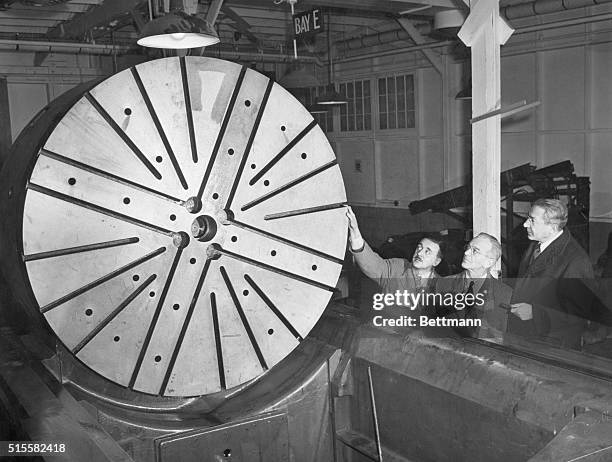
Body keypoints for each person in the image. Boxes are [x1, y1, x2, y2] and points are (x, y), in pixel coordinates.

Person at [508, 198, 595, 348]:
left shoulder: (576, 260)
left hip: (554, 344)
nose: (525, 224)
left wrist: (535, 313)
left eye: (532, 220)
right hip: (527, 335)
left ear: (552, 227)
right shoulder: (535, 246)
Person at [345, 206, 442, 304]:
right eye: (419, 247)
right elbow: (373, 265)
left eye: (427, 251)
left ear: (436, 261)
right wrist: (356, 234)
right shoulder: (397, 267)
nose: (419, 253)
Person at [434, 232, 512, 339]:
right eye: (468, 247)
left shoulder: (505, 294)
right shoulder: (443, 284)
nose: (466, 253)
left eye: (475, 251)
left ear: (489, 262)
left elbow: (504, 335)